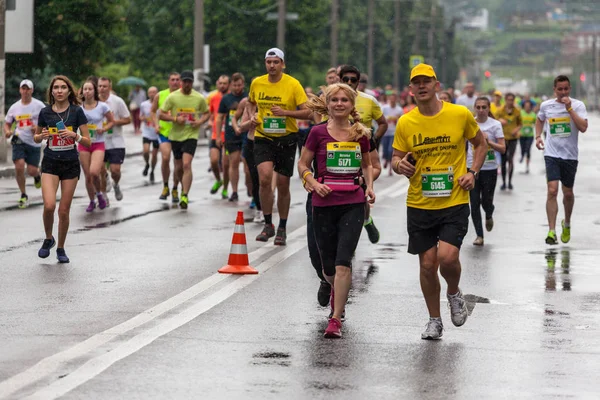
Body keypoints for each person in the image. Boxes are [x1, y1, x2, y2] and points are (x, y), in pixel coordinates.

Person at [391, 64, 487, 340]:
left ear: (437, 85)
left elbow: (481, 144)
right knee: (427, 265)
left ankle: (454, 293)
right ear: (410, 89)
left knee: (447, 257)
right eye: (416, 83)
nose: (421, 86)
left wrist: (472, 172)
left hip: (454, 199)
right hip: (420, 203)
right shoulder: (406, 122)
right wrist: (400, 167)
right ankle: (434, 320)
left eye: (426, 81)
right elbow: (397, 158)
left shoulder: (459, 114)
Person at [298, 83, 375, 338]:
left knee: (344, 263)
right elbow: (302, 164)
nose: (340, 104)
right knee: (328, 268)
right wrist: (314, 183)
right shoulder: (317, 133)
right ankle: (333, 288)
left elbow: (366, 166)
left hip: (351, 204)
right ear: (328, 105)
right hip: (322, 204)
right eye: (335, 100)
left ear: (352, 105)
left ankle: (335, 318)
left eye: (344, 100)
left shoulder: (360, 133)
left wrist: (369, 188)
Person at [247, 47, 311, 245]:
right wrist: (252, 115)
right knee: (265, 179)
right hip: (263, 136)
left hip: (286, 138)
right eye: (269, 62)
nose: (272, 66)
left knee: (283, 184)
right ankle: (268, 224)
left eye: (276, 62)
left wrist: (286, 113)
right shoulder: (257, 82)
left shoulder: (293, 84)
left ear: (283, 64)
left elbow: (308, 112)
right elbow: (250, 102)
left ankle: (282, 226)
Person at [33, 75, 91, 263]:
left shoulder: (77, 112)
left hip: (70, 164)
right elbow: (36, 136)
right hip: (50, 162)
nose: (59, 91)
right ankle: (49, 238)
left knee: (63, 211)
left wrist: (75, 136)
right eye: (55, 87)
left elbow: (88, 141)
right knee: (49, 205)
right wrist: (40, 137)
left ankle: (61, 248)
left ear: (69, 91)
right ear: (51, 91)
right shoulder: (45, 112)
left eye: (63, 87)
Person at [337, 65, 388, 244]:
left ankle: (364, 221)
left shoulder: (369, 101)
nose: (349, 83)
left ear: (359, 83)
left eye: (353, 80)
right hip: (337, 153)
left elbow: (383, 123)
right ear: (340, 80)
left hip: (362, 151)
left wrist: (374, 138)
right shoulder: (330, 99)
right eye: (345, 80)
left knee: (359, 194)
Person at [535, 75, 588, 245]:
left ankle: (567, 222)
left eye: (566, 89)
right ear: (554, 89)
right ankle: (551, 231)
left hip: (570, 156)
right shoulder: (546, 106)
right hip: (551, 154)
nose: (563, 92)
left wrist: (570, 109)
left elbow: (583, 127)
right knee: (552, 190)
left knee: (568, 193)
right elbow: (540, 119)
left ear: (570, 88)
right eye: (560, 89)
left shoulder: (578, 105)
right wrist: (537, 136)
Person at [159, 70, 210, 209]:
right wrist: (175, 118)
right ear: (181, 82)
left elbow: (207, 113)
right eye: (185, 81)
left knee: (187, 164)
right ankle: (179, 187)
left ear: (192, 83)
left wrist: (199, 122)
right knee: (179, 167)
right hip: (175, 136)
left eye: (189, 82)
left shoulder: (199, 98)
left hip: (191, 135)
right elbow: (161, 114)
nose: (187, 84)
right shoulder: (173, 97)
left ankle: (185, 195)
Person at [468, 97, 505, 246]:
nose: (481, 110)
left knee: (486, 201)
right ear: (475, 108)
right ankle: (479, 235)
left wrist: (487, 142)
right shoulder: (470, 123)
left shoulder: (495, 125)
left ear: (489, 108)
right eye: (478, 107)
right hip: (472, 167)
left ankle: (489, 214)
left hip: (489, 168)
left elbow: (503, 149)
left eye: (484, 107)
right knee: (474, 202)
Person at [4, 79, 45, 208]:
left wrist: (39, 129)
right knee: (19, 166)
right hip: (18, 138)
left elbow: (48, 121)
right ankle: (23, 194)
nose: (25, 91)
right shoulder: (15, 107)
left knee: (32, 170)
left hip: (34, 141)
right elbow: (7, 123)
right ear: (20, 90)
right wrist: (7, 131)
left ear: (32, 90)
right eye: (23, 88)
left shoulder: (39, 105)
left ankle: (37, 175)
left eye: (28, 89)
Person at [79, 79, 114, 212]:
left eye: (90, 89)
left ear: (95, 91)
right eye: (85, 89)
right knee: (88, 175)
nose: (87, 91)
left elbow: (111, 121)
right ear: (82, 91)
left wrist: (104, 129)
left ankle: (99, 194)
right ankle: (92, 201)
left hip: (98, 143)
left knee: (94, 172)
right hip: (83, 143)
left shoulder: (102, 106)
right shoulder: (79, 108)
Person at [98, 77, 131, 201]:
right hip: (99, 140)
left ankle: (116, 184)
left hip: (116, 140)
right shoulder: (93, 101)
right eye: (100, 86)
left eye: (104, 86)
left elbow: (128, 119)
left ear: (109, 87)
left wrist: (113, 122)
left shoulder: (117, 101)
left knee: (115, 170)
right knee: (100, 169)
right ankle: (103, 195)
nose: (102, 89)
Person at [216, 73, 247, 202]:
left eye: (239, 85)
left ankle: (250, 187)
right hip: (231, 135)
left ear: (243, 85)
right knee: (233, 163)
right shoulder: (226, 99)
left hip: (246, 134)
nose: (237, 88)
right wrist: (218, 136)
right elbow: (219, 118)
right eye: (234, 85)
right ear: (231, 85)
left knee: (247, 165)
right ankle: (234, 191)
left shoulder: (248, 97)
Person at [233, 94, 264, 223]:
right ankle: (259, 209)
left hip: (270, 143)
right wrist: (251, 121)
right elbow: (241, 125)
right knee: (255, 178)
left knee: (266, 178)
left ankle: (267, 205)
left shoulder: (274, 100)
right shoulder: (248, 103)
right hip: (252, 143)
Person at [152, 72, 181, 202]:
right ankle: (165, 186)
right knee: (165, 157)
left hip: (180, 133)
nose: (175, 82)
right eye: (172, 79)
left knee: (178, 163)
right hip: (164, 132)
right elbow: (153, 111)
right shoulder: (160, 95)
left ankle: (175, 188)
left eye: (177, 80)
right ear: (168, 81)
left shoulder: (184, 96)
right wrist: (156, 125)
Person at [208, 75, 231, 198]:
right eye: (220, 83)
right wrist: (210, 122)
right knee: (213, 161)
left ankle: (226, 189)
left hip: (228, 136)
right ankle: (218, 180)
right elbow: (211, 114)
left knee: (226, 164)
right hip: (215, 134)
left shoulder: (232, 98)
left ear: (229, 84)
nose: (222, 85)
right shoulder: (213, 98)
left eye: (225, 83)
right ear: (217, 84)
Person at [496, 93, 522, 190]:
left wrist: (516, 129)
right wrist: (499, 120)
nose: (510, 102)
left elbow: (520, 124)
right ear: (505, 100)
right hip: (503, 138)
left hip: (513, 138)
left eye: (512, 100)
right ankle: (503, 182)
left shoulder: (517, 111)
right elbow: (493, 120)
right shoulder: (500, 111)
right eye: (508, 100)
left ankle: (510, 182)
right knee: (503, 161)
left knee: (510, 159)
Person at [381, 92, 403, 175]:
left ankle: (390, 168)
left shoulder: (399, 109)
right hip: (386, 132)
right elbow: (381, 117)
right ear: (389, 99)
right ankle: (386, 160)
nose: (393, 100)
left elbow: (401, 121)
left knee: (391, 151)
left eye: (394, 98)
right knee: (385, 150)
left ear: (396, 99)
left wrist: (396, 120)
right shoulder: (385, 108)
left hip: (394, 132)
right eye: (391, 98)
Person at [141, 86, 159, 182]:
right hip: (147, 132)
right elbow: (141, 116)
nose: (152, 94)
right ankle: (147, 164)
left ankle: (152, 170)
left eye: (154, 92)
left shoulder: (161, 104)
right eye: (150, 92)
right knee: (146, 151)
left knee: (155, 155)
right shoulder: (144, 104)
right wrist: (143, 118)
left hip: (156, 133)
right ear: (148, 94)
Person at [519, 100, 536, 173]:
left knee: (528, 149)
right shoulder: (521, 113)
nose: (527, 108)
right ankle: (522, 155)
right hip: (522, 134)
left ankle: (527, 166)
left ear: (531, 107)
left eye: (529, 107)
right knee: (523, 149)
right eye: (526, 106)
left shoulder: (533, 115)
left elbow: (536, 123)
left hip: (530, 135)